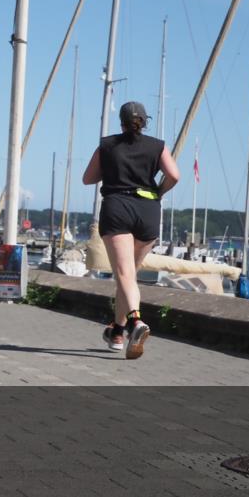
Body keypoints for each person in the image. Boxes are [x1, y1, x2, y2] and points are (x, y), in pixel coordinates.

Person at [82, 101, 180, 359]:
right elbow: (174, 175)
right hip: (148, 210)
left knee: (124, 275)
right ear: (145, 121)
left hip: (118, 207)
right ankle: (117, 332)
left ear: (121, 122)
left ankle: (135, 322)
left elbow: (88, 178)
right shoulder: (158, 146)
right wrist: (159, 192)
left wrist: (111, 168)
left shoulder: (107, 145)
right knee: (128, 278)